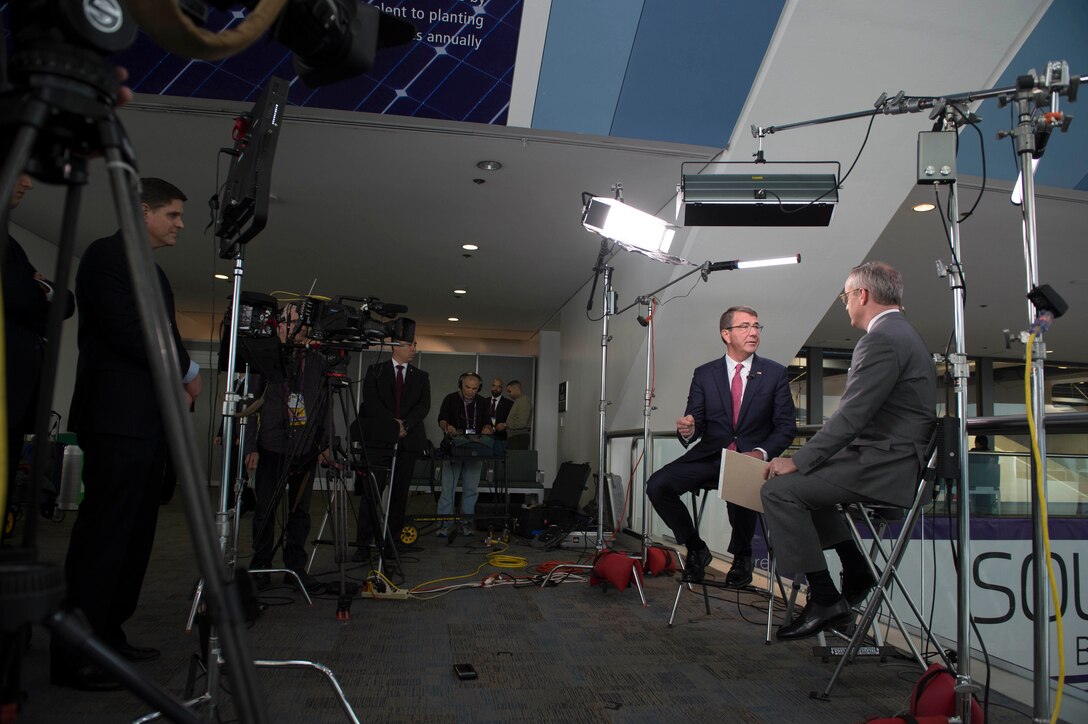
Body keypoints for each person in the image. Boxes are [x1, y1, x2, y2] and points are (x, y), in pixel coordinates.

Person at [57, 178, 202, 690]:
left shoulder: (153, 272)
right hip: (116, 419)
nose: (181, 224)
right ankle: (75, 653)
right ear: (143, 211)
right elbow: (132, 333)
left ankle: (108, 633)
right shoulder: (106, 257)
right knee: (104, 535)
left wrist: (181, 369)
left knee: (135, 535)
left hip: (146, 422)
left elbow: (164, 332)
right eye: (173, 215)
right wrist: (188, 371)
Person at [762, 261, 936, 641]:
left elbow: (851, 417)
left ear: (862, 295)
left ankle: (825, 598)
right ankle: (854, 566)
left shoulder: (881, 339)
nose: (845, 305)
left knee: (778, 491)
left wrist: (798, 459)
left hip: (883, 465)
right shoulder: (902, 333)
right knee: (807, 488)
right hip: (887, 457)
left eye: (845, 296)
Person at [646, 306, 796, 585]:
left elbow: (786, 426)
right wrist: (689, 428)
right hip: (711, 455)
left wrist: (761, 452)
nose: (753, 332)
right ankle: (695, 548)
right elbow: (697, 420)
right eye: (745, 326)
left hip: (750, 458)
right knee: (657, 485)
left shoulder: (774, 373)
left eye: (756, 326)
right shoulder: (705, 374)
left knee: (742, 481)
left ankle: (742, 556)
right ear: (726, 334)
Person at [244, 304, 328, 593]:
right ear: (277, 325)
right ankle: (261, 566)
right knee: (266, 509)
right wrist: (250, 446)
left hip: (305, 447)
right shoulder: (263, 357)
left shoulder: (316, 360)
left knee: (300, 512)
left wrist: (323, 444)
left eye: (300, 322)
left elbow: (323, 404)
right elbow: (249, 404)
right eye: (290, 322)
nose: (297, 327)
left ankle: (295, 566)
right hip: (271, 445)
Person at [3, 173, 74, 511]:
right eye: (21, 173)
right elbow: (18, 296)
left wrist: (39, 289)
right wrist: (40, 291)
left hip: (15, 395)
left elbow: (64, 302)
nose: (29, 184)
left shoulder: (11, 243)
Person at [355, 338, 430, 557]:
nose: (414, 349)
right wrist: (392, 425)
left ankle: (392, 544)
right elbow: (370, 402)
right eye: (410, 345)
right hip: (379, 442)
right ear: (396, 347)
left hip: (407, 442)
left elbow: (423, 406)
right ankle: (363, 544)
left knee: (400, 495)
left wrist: (405, 424)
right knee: (372, 493)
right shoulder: (375, 371)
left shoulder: (421, 376)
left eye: (415, 344)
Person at [436, 372, 492, 537]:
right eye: (467, 387)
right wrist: (447, 427)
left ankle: (466, 523)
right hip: (454, 449)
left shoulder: (482, 402)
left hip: (475, 449)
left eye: (474, 388)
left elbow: (487, 421)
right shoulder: (450, 399)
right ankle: (445, 524)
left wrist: (487, 427)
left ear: (479, 389)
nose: (470, 391)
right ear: (460, 384)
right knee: (448, 489)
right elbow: (441, 419)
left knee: (471, 489)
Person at [504, 380, 533, 450]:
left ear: (516, 388)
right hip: (515, 437)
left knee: (517, 460)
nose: (508, 394)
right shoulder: (518, 400)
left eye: (509, 391)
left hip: (518, 438)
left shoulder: (524, 401)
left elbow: (521, 423)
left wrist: (505, 425)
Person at [486, 377, 513, 447]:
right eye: (494, 385)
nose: (496, 388)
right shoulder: (483, 401)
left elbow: (513, 420)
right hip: (485, 438)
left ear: (502, 389)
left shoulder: (509, 403)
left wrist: (504, 425)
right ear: (491, 387)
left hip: (502, 439)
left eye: (499, 386)